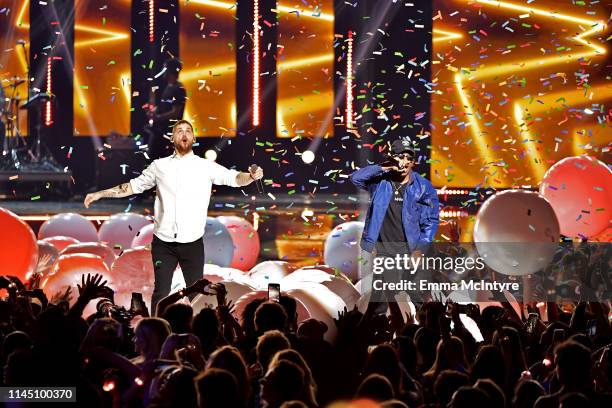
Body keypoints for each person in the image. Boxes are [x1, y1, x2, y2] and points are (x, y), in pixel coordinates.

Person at [84, 119, 264, 310]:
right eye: (179, 131)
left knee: (196, 292)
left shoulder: (206, 166)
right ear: (172, 138)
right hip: (163, 243)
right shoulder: (159, 166)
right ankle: (155, 330)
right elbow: (131, 186)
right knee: (161, 291)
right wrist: (100, 193)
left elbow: (235, 179)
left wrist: (251, 176)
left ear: (193, 138)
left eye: (188, 131)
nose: (184, 134)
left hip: (192, 243)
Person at [147, 58, 187, 160]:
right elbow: (165, 105)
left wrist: (158, 117)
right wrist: (155, 110)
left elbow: (175, 112)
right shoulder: (169, 87)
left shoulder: (179, 88)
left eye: (165, 68)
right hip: (161, 131)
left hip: (168, 133)